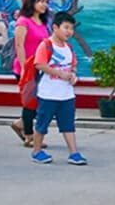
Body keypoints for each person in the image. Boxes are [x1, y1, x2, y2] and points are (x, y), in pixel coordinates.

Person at [29, 11, 87, 165]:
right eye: (66, 27)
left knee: (68, 125)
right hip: (48, 94)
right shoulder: (46, 45)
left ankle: (74, 153)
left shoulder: (69, 47)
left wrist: (73, 75)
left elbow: (73, 66)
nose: (69, 31)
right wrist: (60, 73)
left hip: (66, 95)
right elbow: (39, 64)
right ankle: (36, 151)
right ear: (55, 27)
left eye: (71, 28)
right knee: (42, 124)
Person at [10, 0, 52, 148]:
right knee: (30, 103)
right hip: (26, 68)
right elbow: (19, 46)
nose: (44, 5)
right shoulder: (23, 21)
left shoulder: (42, 22)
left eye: (46, 2)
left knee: (41, 102)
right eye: (41, 1)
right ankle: (29, 136)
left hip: (40, 68)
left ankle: (20, 123)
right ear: (31, 2)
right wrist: (23, 69)